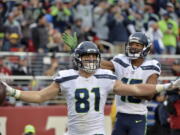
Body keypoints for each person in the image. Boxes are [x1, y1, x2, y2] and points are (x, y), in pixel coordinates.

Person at [1, 41, 180, 135]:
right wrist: (11, 92)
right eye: (87, 57)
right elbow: (40, 96)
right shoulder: (67, 77)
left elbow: (136, 90)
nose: (91, 61)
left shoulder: (106, 77)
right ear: (78, 59)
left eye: (94, 57)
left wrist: (166, 85)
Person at [100, 32, 161, 135]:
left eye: (137, 45)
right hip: (120, 115)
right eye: (131, 44)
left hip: (138, 117)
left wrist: (124, 89)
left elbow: (149, 95)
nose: (133, 47)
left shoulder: (152, 65)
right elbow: (99, 64)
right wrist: (82, 54)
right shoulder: (120, 59)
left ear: (146, 48)